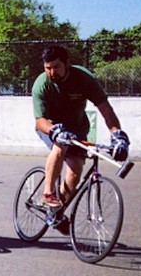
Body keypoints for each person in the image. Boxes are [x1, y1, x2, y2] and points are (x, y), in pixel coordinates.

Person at [32, 45, 130, 217]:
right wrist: (55, 131)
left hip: (76, 127)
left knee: (75, 170)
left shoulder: (83, 78)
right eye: (48, 68)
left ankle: (56, 211)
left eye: (56, 67)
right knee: (60, 144)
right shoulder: (41, 84)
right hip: (50, 126)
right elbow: (40, 120)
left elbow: (105, 109)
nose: (52, 72)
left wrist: (117, 135)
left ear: (67, 63)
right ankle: (48, 193)